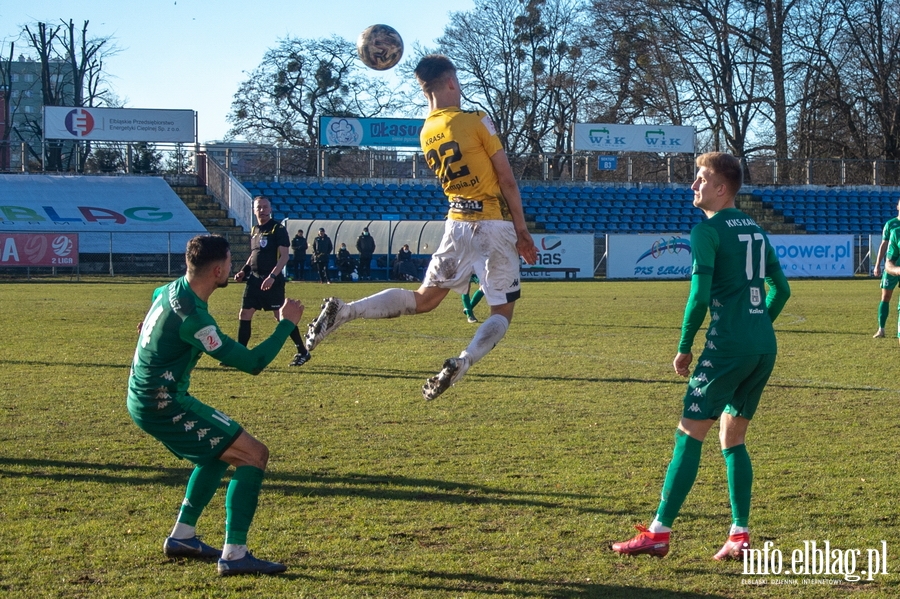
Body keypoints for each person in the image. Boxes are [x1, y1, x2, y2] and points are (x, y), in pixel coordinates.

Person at [304, 54, 538, 401]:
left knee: (425, 299)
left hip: (456, 223)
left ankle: (346, 310)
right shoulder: (475, 120)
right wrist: (522, 231)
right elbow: (507, 179)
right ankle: (463, 361)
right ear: (451, 82)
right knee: (502, 310)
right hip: (492, 224)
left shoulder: (427, 130)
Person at [612, 152, 791, 560]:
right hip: (763, 347)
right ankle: (739, 535)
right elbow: (782, 291)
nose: (694, 186)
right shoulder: (757, 231)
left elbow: (698, 296)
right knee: (734, 438)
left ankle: (658, 531)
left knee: (689, 432)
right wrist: (757, 325)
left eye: (701, 179)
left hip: (727, 347)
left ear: (721, 188)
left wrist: (684, 346)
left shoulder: (705, 232)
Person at [127, 234, 303, 576]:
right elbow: (253, 363)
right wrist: (286, 323)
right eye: (229, 264)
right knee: (254, 454)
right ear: (218, 270)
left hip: (144, 395)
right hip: (162, 403)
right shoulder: (196, 320)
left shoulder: (168, 290)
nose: (232, 269)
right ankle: (235, 554)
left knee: (218, 451)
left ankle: (183, 537)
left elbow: (153, 311)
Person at [233, 196, 311, 367]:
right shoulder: (254, 229)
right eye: (259, 207)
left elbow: (284, 257)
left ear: (270, 209)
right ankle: (240, 354)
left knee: (281, 317)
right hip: (254, 280)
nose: (262, 210)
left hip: (272, 281)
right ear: (254, 210)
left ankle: (302, 351)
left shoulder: (278, 229)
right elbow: (253, 255)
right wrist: (243, 271)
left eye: (265, 207)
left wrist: (272, 276)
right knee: (244, 313)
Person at [872, 199, 900, 337]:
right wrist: (878, 264)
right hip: (893, 266)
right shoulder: (891, 224)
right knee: (886, 296)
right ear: (897, 206)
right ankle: (881, 328)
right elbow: (884, 245)